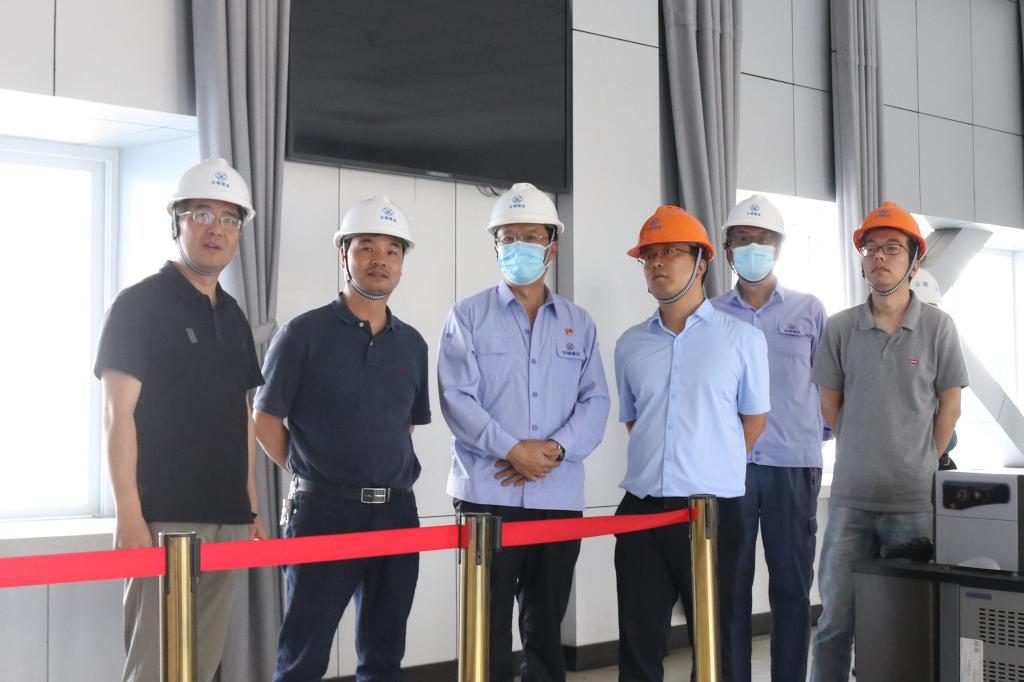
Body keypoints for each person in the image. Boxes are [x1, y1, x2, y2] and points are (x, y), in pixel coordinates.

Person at [94, 157, 267, 682]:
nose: (217, 228)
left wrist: (250, 505)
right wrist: (128, 513)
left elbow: (242, 415)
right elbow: (116, 413)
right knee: (154, 666)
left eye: (230, 219)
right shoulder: (138, 305)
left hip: (229, 517)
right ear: (177, 222)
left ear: (239, 234)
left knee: (201, 663)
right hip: (162, 519)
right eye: (202, 214)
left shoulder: (234, 315)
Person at [438, 182, 610, 681]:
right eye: (508, 237)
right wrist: (512, 449)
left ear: (552, 246)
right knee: (485, 626)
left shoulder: (579, 322)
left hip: (558, 495)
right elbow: (456, 398)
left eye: (532, 237)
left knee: (546, 625)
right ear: (495, 246)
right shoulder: (467, 316)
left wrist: (553, 450)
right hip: (487, 496)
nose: (519, 247)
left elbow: (596, 401)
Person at [254, 196, 430, 682]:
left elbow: (404, 425)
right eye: (366, 247)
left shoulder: (413, 344)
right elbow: (264, 419)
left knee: (384, 656)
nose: (380, 260)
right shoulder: (302, 334)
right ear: (343, 255)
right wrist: (312, 471)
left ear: (402, 263)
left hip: (397, 512)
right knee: (303, 657)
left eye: (392, 251)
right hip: (324, 513)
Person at [810, 201, 969, 681]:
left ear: (914, 261)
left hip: (913, 505)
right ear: (862, 260)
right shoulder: (840, 328)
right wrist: (862, 446)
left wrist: (923, 459)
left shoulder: (939, 327)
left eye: (893, 248)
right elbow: (831, 405)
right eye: (871, 248)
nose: (880, 256)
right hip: (850, 502)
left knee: (907, 625)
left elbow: (951, 406)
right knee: (835, 623)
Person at [614, 205, 770, 681]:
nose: (657, 263)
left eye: (670, 252)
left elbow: (754, 419)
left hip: (712, 512)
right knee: (638, 643)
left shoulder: (742, 340)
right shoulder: (630, 344)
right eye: (649, 256)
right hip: (642, 510)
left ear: (702, 262)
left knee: (718, 643)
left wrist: (709, 463)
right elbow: (635, 421)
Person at [710, 195, 828, 681]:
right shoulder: (710, 314)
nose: (753, 248)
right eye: (743, 240)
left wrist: (811, 435)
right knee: (729, 590)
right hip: (729, 468)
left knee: (792, 589)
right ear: (728, 250)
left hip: (793, 466)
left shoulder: (809, 309)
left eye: (763, 240)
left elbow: (828, 385)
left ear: (777, 248)